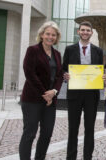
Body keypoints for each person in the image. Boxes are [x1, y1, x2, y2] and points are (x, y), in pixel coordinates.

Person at [19, 21, 63, 160]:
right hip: (32, 99)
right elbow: (29, 73)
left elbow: (59, 76)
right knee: (30, 133)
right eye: (48, 34)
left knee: (47, 133)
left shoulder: (57, 54)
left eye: (53, 35)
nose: (50, 37)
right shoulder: (32, 50)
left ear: (56, 37)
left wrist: (54, 91)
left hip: (51, 101)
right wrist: (45, 94)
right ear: (42, 35)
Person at [62, 21, 103, 160]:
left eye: (88, 30)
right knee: (73, 128)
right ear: (78, 32)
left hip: (92, 95)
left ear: (92, 33)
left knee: (90, 128)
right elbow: (64, 69)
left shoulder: (98, 50)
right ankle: (71, 157)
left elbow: (99, 70)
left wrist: (102, 76)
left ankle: (87, 157)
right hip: (74, 93)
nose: (85, 32)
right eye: (83, 30)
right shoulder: (69, 49)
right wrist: (65, 75)